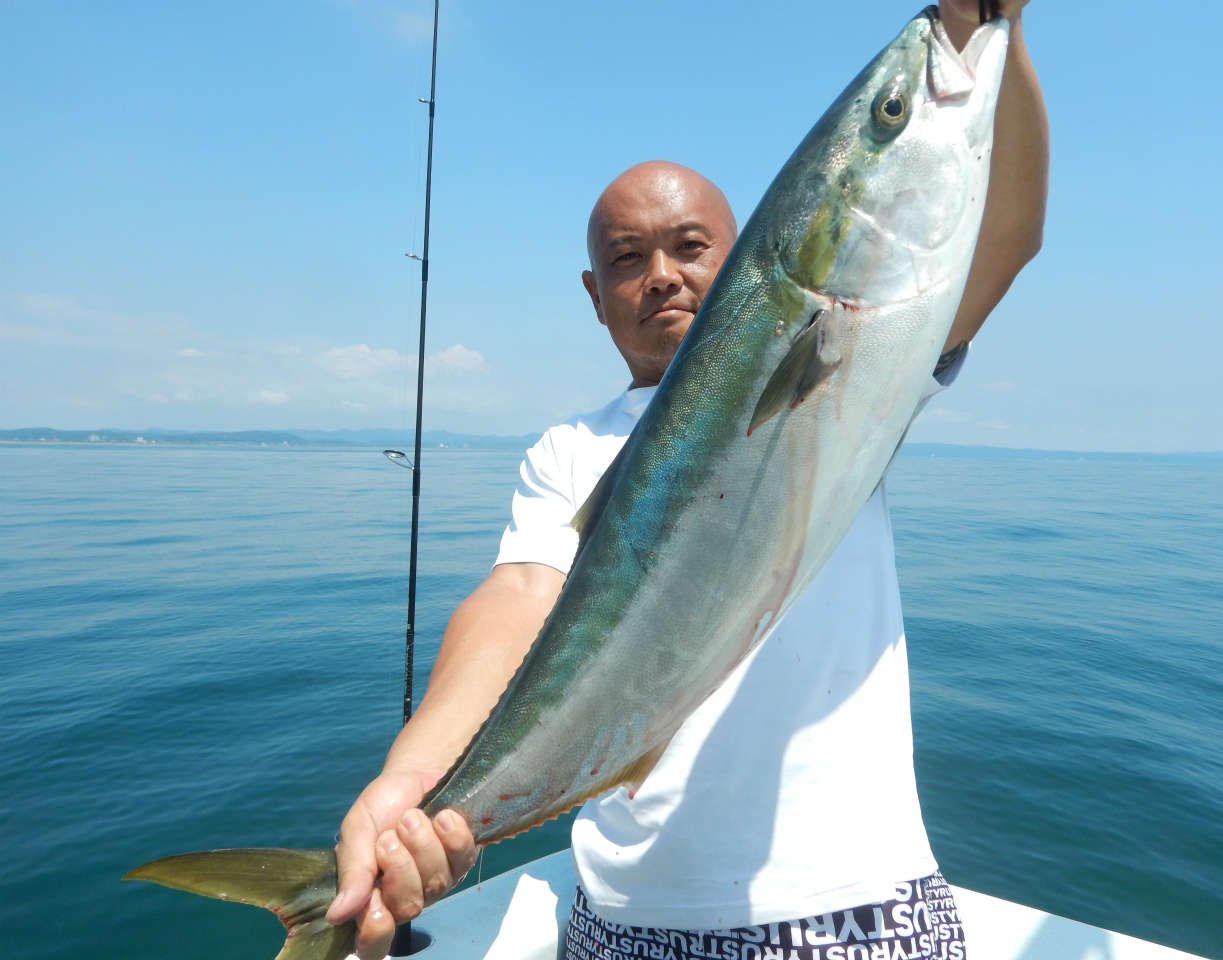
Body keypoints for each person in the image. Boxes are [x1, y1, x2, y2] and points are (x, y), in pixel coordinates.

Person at [328, 2, 1048, 957]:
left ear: (754, 246)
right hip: (622, 923)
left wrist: (998, 33)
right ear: (594, 295)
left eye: (693, 247)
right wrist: (414, 782)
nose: (661, 274)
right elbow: (520, 596)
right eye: (627, 259)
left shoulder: (862, 365)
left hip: (859, 906)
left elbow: (1006, 234)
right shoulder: (567, 451)